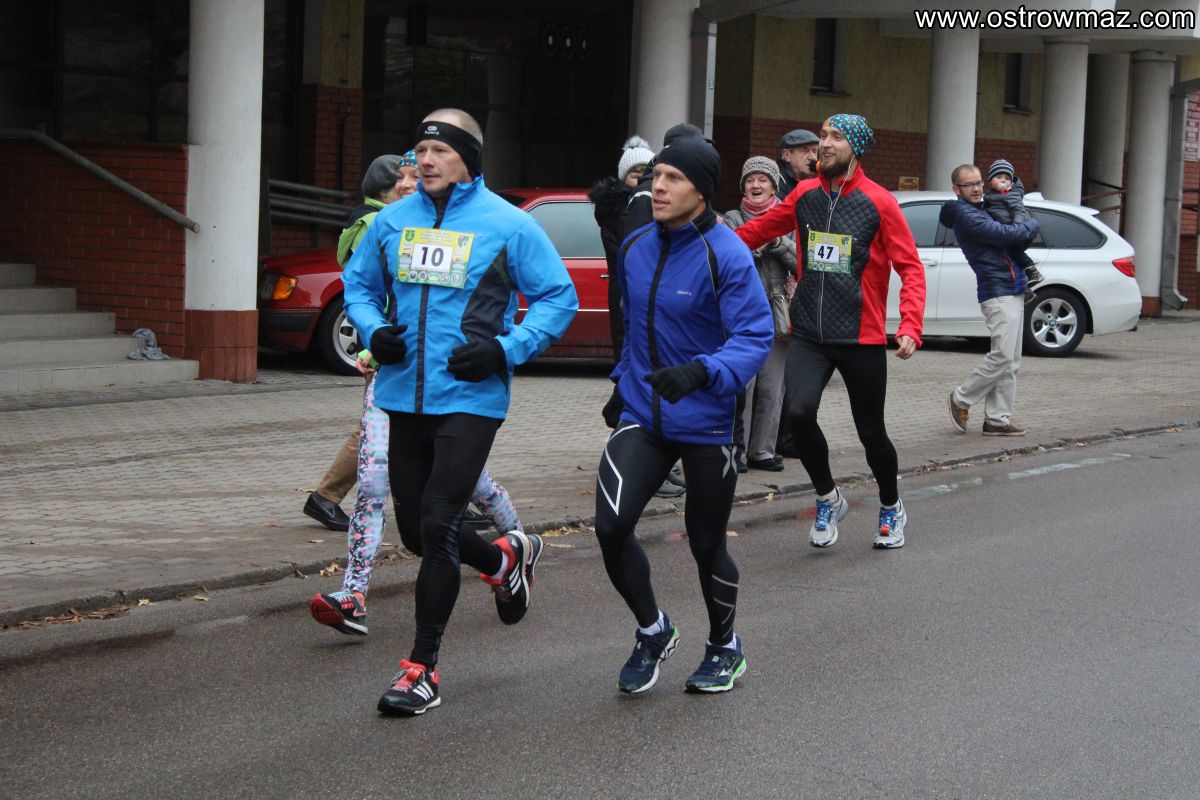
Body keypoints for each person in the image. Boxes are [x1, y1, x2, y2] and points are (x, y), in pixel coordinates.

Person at [342, 108, 579, 716]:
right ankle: (503, 559)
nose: (425, 160)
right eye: (420, 150)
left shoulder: (508, 224)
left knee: (440, 521)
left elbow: (558, 297)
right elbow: (360, 287)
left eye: (440, 150)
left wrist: (506, 348)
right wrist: (373, 330)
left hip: (472, 396)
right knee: (417, 533)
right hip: (403, 393)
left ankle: (421, 669)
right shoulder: (393, 220)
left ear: (468, 158)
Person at [596, 136, 772, 695]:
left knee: (705, 542)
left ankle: (725, 645)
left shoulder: (728, 253)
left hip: (707, 422)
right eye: (656, 176)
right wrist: (622, 380)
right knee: (610, 526)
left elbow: (755, 336)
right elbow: (631, 325)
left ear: (702, 190)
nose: (658, 187)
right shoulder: (636, 245)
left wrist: (702, 372)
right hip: (644, 413)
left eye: (673, 178)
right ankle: (654, 630)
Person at [733, 114, 925, 551]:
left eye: (836, 137)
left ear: (855, 147)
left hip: (860, 335)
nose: (825, 143)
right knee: (798, 416)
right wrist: (709, 246)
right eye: (823, 136)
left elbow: (910, 267)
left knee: (871, 432)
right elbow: (757, 230)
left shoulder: (880, 202)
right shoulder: (804, 195)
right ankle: (827, 497)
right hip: (809, 333)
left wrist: (910, 324)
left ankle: (891, 505)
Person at [305, 152, 510, 535]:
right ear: (387, 188)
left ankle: (452, 503)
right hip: (394, 346)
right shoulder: (381, 223)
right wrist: (376, 339)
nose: (411, 185)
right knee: (381, 429)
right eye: (404, 178)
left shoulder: (401, 220)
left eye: (415, 177)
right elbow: (375, 287)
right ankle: (329, 498)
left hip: (409, 348)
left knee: (420, 430)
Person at [613, 122, 709, 498]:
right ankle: (653, 468)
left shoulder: (718, 246)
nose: (661, 186)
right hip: (646, 316)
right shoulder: (646, 200)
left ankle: (662, 464)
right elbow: (641, 258)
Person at [941, 163, 1039, 438]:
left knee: (1011, 361)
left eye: (978, 183)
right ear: (956, 189)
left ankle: (997, 419)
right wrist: (1033, 222)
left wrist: (1022, 222)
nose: (976, 189)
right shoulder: (966, 215)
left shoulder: (983, 209)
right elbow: (1011, 234)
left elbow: (1014, 238)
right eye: (969, 185)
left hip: (1013, 286)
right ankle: (961, 398)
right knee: (1002, 356)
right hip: (997, 290)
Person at [723, 156, 796, 472]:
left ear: (774, 186)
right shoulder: (731, 218)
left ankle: (762, 451)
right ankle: (736, 452)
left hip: (778, 311)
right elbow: (727, 256)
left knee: (772, 386)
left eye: (762, 179)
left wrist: (777, 242)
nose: (755, 185)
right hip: (741, 312)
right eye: (750, 179)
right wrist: (754, 241)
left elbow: (801, 262)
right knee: (743, 385)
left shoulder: (789, 220)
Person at [589, 135, 656, 363]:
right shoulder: (615, 211)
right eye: (635, 174)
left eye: (646, 174)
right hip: (624, 286)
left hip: (647, 286)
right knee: (626, 343)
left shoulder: (657, 205)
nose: (641, 180)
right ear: (623, 177)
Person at [983, 158, 1045, 302]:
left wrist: (1016, 229)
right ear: (990, 182)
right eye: (999, 177)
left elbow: (1018, 211)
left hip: (1013, 231)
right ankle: (1026, 291)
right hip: (1004, 233)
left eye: (1006, 178)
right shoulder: (990, 197)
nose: (1003, 180)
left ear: (1011, 183)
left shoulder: (1011, 195)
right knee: (1010, 261)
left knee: (1014, 253)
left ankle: (1033, 271)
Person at [775, 128, 819, 198]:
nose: (812, 157)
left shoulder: (819, 179)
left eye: (814, 151)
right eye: (805, 151)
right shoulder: (775, 180)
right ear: (787, 155)